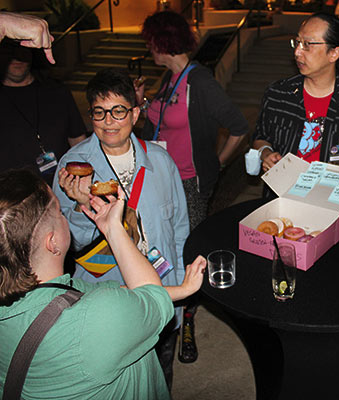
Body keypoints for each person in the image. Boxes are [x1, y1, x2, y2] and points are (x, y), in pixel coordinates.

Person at [0, 169, 205, 399]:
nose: (64, 216)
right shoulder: (97, 317)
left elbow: (120, 294)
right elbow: (148, 293)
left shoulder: (49, 293)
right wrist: (113, 229)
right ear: (52, 242)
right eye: (58, 211)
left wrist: (183, 290)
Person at [53, 68, 189, 390]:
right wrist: (79, 205)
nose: (109, 121)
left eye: (118, 111)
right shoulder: (73, 169)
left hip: (159, 287)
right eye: (99, 112)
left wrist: (180, 292)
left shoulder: (160, 162)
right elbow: (70, 245)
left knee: (160, 373)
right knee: (118, 381)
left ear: (135, 113)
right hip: (108, 298)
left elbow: (180, 228)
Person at [137, 10, 249, 363]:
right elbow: (159, 126)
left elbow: (239, 126)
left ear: (161, 43)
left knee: (187, 256)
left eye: (150, 43)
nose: (148, 49)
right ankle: (162, 316)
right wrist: (142, 104)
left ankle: (186, 322)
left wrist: (217, 161)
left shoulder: (197, 81)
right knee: (161, 251)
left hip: (189, 184)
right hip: (162, 179)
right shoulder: (168, 80)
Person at [252, 12, 339, 179]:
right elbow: (261, 137)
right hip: (281, 191)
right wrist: (266, 153)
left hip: (329, 196)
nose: (297, 52)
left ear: (334, 53)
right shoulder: (278, 94)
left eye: (307, 44)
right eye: (297, 42)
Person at [0, 39, 86, 185]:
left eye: (22, 51)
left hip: (60, 192)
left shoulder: (57, 92)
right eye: (10, 52)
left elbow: (79, 142)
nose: (17, 58)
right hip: (10, 198)